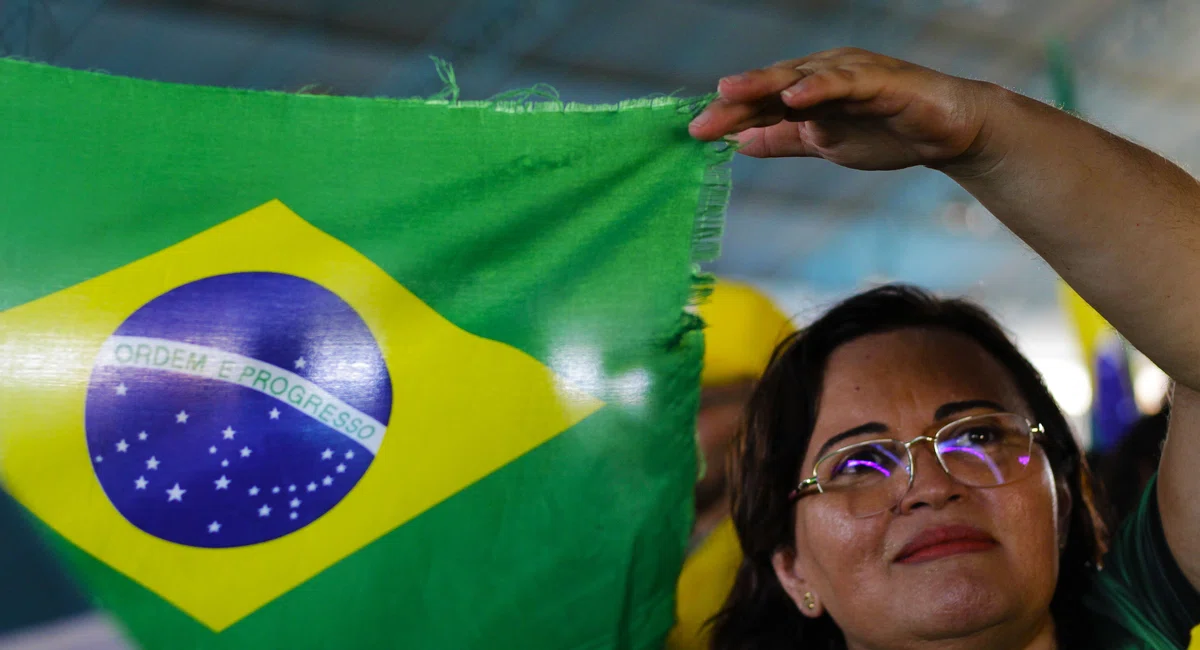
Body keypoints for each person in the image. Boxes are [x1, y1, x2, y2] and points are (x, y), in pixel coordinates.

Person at [687, 49, 1200, 649]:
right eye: (857, 463)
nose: (930, 485)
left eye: (978, 436)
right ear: (792, 567)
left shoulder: (1132, 626)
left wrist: (981, 134)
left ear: (1061, 502)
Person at [668, 279, 793, 650]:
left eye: (702, 401)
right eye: (656, 402)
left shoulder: (801, 562)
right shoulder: (588, 533)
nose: (672, 426)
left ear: (767, 414)